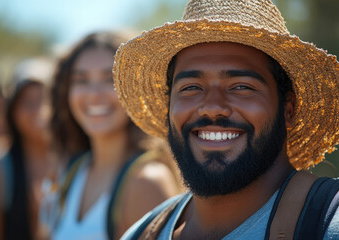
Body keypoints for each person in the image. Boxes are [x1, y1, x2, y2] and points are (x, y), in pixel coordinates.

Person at [113, 0, 339, 239]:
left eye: (241, 86)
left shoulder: (328, 223)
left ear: (288, 109)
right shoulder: (143, 233)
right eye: (191, 87)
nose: (212, 108)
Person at [49, 31, 182, 240]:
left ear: (135, 88)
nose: (94, 94)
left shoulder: (147, 181)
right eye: (81, 80)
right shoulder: (72, 172)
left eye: (109, 79)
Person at [0, 78, 55, 240]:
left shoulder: (75, 161)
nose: (38, 109)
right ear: (13, 110)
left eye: (45, 99)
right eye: (28, 102)